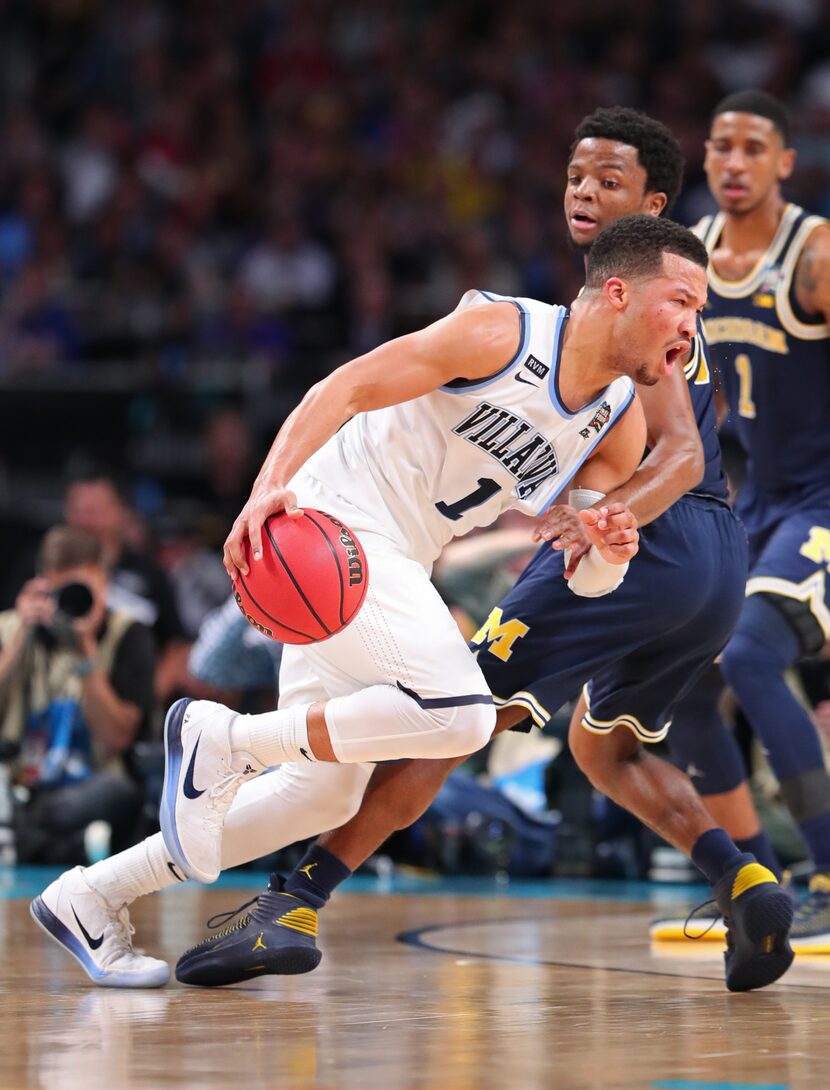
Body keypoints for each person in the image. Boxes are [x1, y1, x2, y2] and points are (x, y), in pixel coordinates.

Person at [171, 108, 790, 994]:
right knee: (603, 750)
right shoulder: (620, 312)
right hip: (711, 565)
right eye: (576, 174)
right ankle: (745, 880)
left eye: (609, 181)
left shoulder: (655, 306)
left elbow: (684, 452)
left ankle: (293, 901)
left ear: (654, 202)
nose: (584, 190)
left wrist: (614, 514)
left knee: (457, 713)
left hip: (659, 531)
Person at [31, 212, 707, 987]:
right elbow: (344, 386)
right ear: (617, 292)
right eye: (683, 302)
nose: (693, 327)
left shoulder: (617, 425)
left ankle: (90, 894)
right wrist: (267, 491)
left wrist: (610, 553)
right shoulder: (505, 333)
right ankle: (228, 739)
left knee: (316, 798)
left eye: (700, 310)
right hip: (333, 522)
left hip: (395, 562)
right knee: (460, 717)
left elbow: (580, 565)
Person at [656, 89, 830, 950]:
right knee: (685, 686)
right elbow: (695, 394)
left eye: (753, 148)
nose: (732, 162)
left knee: (755, 653)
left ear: (785, 163)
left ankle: (829, 875)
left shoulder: (817, 254)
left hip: (825, 503)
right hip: (755, 501)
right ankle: (755, 888)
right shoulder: (693, 257)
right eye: (720, 146)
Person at [0, 527, 155, 866]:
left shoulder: (127, 634)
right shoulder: (11, 629)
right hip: (16, 783)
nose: (74, 602)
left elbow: (117, 737)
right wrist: (22, 636)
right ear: (43, 586)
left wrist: (86, 656)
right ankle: (44, 839)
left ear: (105, 584)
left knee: (116, 790)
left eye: (84, 590)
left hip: (88, 787)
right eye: (62, 591)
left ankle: (27, 836)